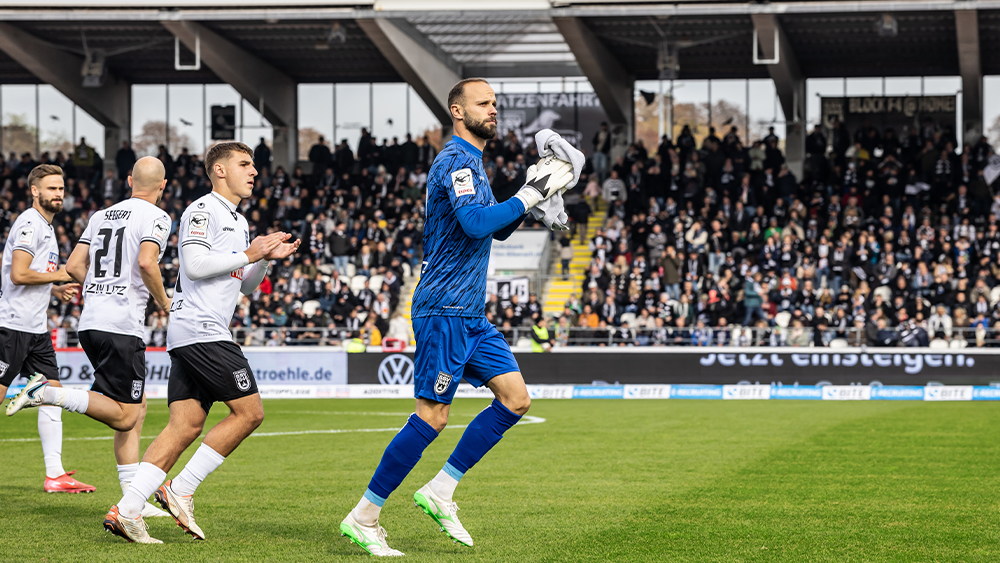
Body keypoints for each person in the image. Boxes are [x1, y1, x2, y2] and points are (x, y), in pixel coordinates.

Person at [339, 78, 574, 556]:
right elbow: (473, 224)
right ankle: (364, 516)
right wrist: (530, 195)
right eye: (483, 103)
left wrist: (533, 201)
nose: (493, 109)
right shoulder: (455, 160)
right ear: (457, 110)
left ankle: (440, 490)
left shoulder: (475, 165)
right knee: (434, 415)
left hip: (468, 311)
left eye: (494, 103)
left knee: (515, 399)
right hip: (444, 308)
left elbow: (495, 230)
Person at [103, 142, 299, 543]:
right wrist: (250, 250)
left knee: (186, 424)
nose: (254, 172)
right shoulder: (202, 209)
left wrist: (263, 258)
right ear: (220, 170)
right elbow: (193, 265)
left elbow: (245, 284)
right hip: (202, 329)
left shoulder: (238, 220)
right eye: (244, 164)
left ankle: (126, 510)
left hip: (195, 331)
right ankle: (181, 488)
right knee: (249, 413)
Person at [7, 157, 174, 519]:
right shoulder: (157, 217)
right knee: (126, 417)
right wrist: (164, 301)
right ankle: (47, 393)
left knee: (139, 406)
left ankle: (133, 498)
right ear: (163, 186)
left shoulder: (101, 215)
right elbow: (147, 262)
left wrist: (98, 289)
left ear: (130, 181)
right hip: (120, 325)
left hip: (91, 320)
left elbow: (75, 265)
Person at [0, 164, 89, 492]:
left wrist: (53, 287)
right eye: (51, 188)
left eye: (61, 188)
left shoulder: (46, 228)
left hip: (36, 330)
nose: (58, 194)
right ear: (35, 191)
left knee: (52, 395)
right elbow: (18, 275)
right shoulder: (29, 222)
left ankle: (55, 475)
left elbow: (27, 272)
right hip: (12, 326)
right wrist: (61, 275)